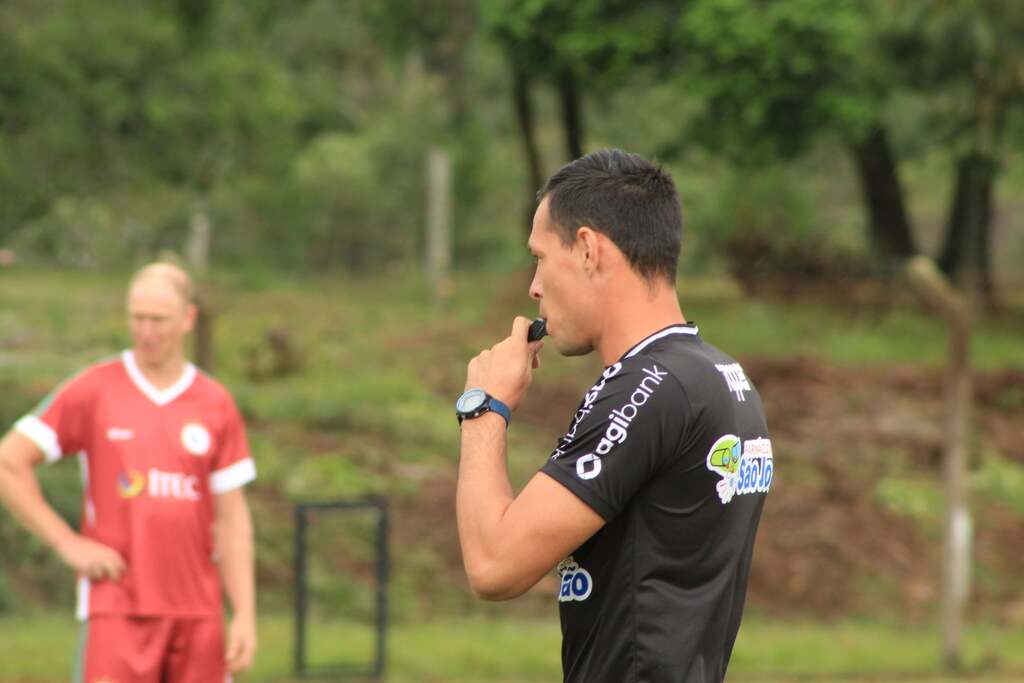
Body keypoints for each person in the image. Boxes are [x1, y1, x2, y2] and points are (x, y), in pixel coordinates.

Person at [455, 149, 773, 682]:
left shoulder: (646, 388)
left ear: (586, 250)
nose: (533, 287)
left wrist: (484, 409)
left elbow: (493, 565)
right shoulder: (720, 375)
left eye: (540, 257)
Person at [0, 262, 257, 682]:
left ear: (188, 319)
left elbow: (231, 518)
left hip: (197, 612)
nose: (146, 331)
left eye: (158, 319)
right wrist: (66, 542)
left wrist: (244, 612)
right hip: (117, 608)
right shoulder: (95, 389)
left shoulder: (215, 403)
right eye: (137, 318)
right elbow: (8, 461)